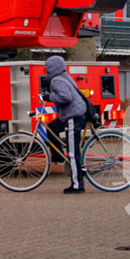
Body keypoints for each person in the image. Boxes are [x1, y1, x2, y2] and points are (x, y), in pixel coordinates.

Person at [43, 55, 88, 194]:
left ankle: (77, 186)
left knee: (73, 153)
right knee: (50, 128)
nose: (46, 71)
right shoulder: (65, 76)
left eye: (47, 68)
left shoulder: (56, 80)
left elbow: (65, 97)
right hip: (77, 113)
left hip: (72, 116)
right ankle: (58, 157)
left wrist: (48, 97)